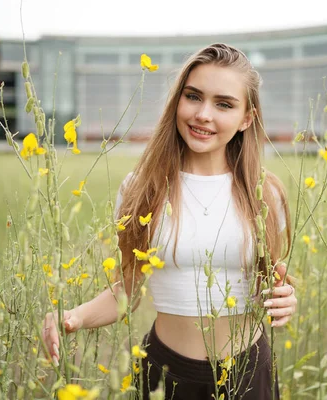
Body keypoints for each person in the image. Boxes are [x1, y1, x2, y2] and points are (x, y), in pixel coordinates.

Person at [42, 43, 297, 399]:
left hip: (248, 373)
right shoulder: (141, 189)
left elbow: (271, 283)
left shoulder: (266, 193)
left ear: (246, 118)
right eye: (193, 96)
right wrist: (71, 317)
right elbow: (127, 291)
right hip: (165, 372)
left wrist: (286, 299)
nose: (203, 114)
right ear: (178, 101)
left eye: (223, 104)